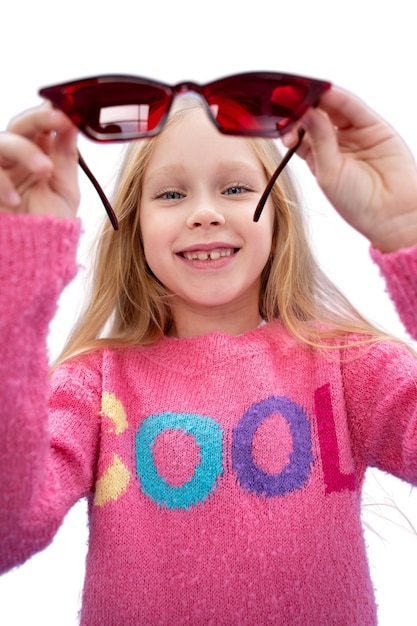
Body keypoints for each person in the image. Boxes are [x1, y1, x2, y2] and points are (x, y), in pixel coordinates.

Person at [0, 76, 417, 626]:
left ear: (278, 217)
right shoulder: (93, 384)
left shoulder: (346, 367)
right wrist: (15, 282)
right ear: (134, 228)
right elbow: (11, 528)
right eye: (171, 194)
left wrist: (407, 230)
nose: (204, 212)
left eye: (237, 189)